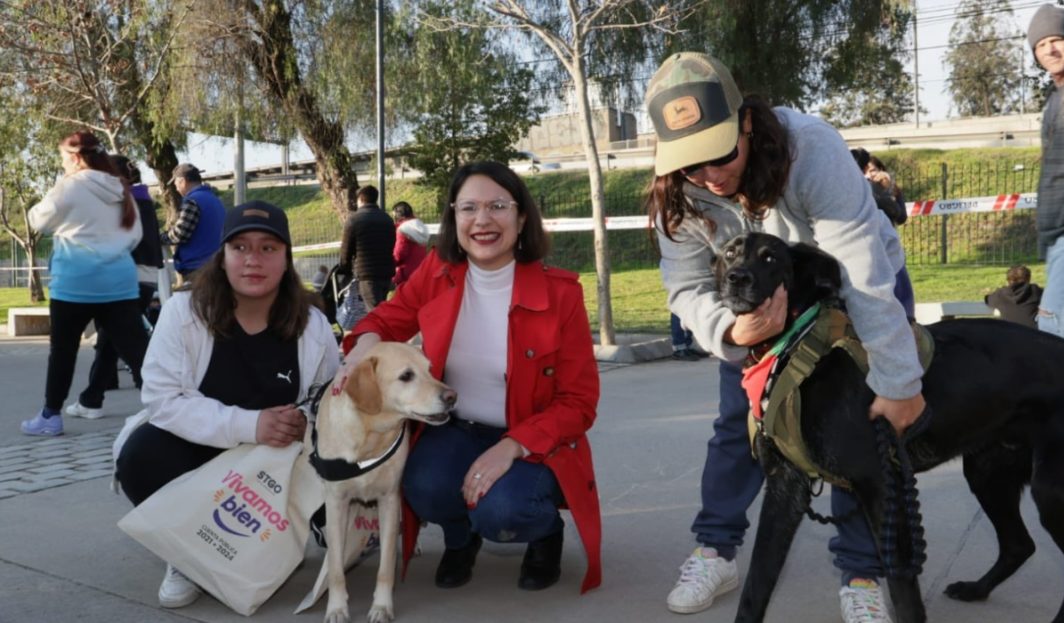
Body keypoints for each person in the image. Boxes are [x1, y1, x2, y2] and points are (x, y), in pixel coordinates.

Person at [643, 53, 925, 623]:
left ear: (746, 122)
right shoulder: (678, 194)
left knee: (859, 431)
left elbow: (861, 269)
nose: (709, 175)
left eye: (719, 153)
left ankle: (861, 573)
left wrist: (896, 381)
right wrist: (729, 330)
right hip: (756, 315)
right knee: (736, 427)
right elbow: (686, 287)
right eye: (690, 164)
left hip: (851, 292)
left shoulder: (810, 147)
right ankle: (716, 551)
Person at [333, 161, 602, 593]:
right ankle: (461, 539)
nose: (482, 220)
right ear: (453, 217)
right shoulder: (438, 271)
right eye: (468, 208)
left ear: (521, 217)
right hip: (456, 427)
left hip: (530, 439)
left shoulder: (561, 294)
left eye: (497, 206)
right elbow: (389, 317)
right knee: (421, 485)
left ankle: (544, 534)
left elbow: (579, 401)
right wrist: (363, 342)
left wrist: (512, 447)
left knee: (505, 512)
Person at [114, 200, 339, 609]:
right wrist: (250, 425)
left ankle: (298, 533)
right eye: (241, 248)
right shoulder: (184, 311)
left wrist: (304, 421)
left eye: (269, 248)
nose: (253, 260)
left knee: (342, 464)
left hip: (280, 458)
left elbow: (330, 398)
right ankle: (186, 553)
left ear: (287, 260)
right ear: (222, 258)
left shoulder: (313, 324)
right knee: (140, 455)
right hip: (201, 451)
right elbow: (162, 399)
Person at [20, 131, 149, 437]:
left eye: (63, 157)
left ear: (76, 157)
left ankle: (51, 416)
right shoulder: (121, 188)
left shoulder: (69, 187)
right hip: (118, 281)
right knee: (136, 349)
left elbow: (39, 219)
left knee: (63, 351)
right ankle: (167, 407)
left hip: (75, 283)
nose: (63, 164)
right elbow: (135, 235)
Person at [65, 155, 163, 420]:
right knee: (111, 341)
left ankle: (159, 398)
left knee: (131, 344)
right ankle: (91, 399)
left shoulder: (122, 202)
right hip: (144, 277)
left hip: (125, 279)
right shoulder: (142, 200)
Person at [1029, 4, 1064, 339]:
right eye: (1041, 44)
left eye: (1057, 39)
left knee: (1053, 324)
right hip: (1058, 232)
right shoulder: (1056, 98)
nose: (1049, 50)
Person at [161, 163, 225, 282]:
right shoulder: (215, 199)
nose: (176, 188)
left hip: (198, 268)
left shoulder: (193, 201)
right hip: (216, 263)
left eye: (176, 184)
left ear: (183, 181)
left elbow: (180, 234)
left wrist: (160, 238)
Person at [338, 185, 394, 309]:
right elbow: (392, 243)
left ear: (361, 199)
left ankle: (379, 329)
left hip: (367, 274)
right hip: (386, 273)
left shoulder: (354, 220)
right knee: (381, 308)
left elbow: (346, 249)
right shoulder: (387, 219)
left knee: (374, 312)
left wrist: (344, 268)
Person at [850, 148, 907, 226]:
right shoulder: (869, 189)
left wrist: (890, 187)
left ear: (881, 169)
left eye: (872, 170)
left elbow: (902, 217)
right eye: (866, 172)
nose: (869, 175)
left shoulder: (891, 187)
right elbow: (896, 212)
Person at [391, 200, 430, 288]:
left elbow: (399, 254)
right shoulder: (420, 227)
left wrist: (390, 263)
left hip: (406, 273)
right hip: (420, 270)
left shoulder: (403, 230)